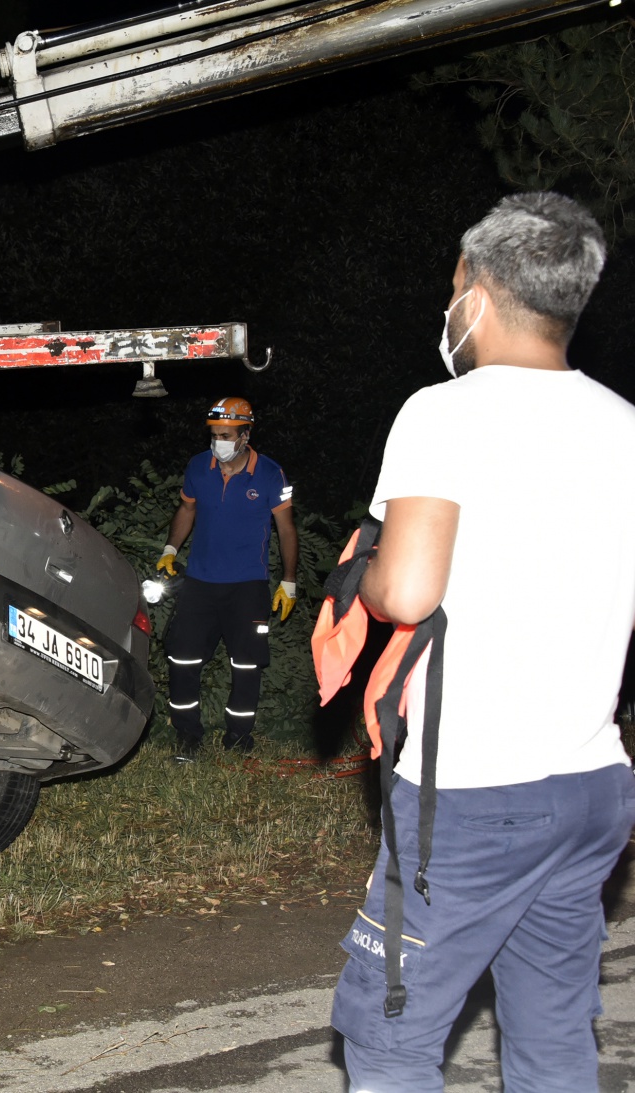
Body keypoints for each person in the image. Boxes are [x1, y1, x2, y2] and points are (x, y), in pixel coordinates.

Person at [330, 191, 635, 1091]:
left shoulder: (444, 413)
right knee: (553, 1034)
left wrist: (365, 570)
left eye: (453, 283)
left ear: (477, 290)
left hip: (472, 796)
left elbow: (408, 590)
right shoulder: (623, 424)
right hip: (592, 784)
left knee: (390, 1035)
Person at [156, 397, 298, 759]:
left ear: (245, 435)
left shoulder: (270, 474)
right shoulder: (198, 466)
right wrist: (170, 549)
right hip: (199, 583)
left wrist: (289, 581)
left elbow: (286, 529)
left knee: (247, 664)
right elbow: (186, 508)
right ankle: (187, 736)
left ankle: (238, 738)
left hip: (248, 585)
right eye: (214, 434)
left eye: (226, 435)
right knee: (182, 659)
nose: (218, 441)